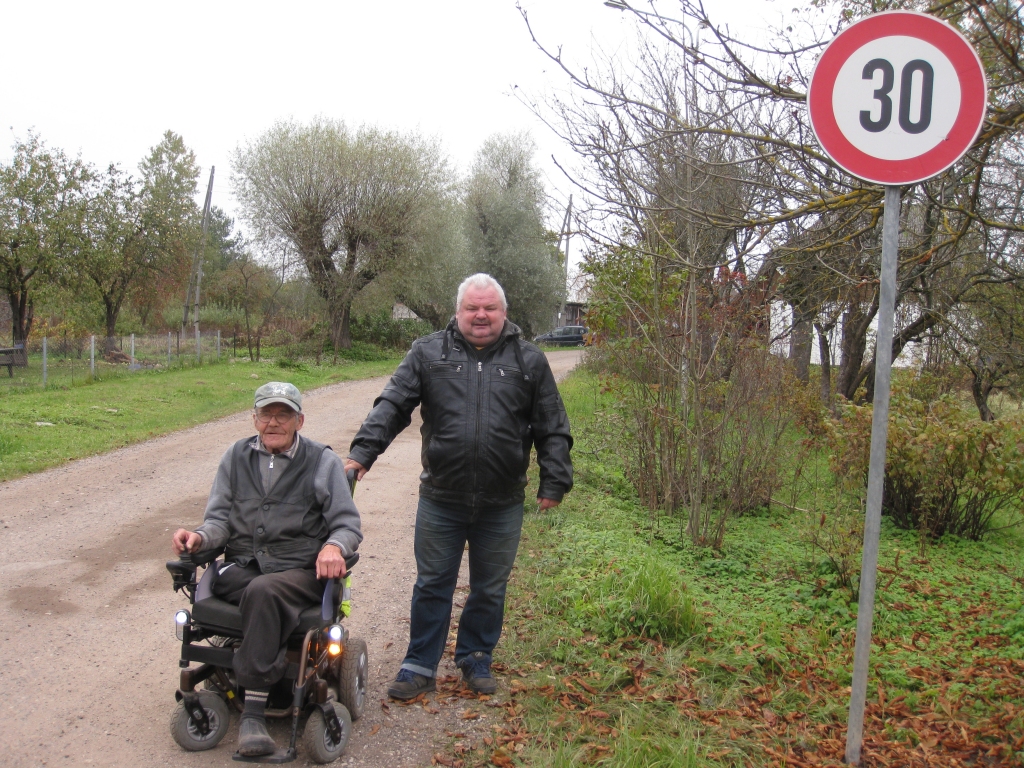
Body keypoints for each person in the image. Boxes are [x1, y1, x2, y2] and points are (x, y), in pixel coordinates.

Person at [346, 273, 573, 700]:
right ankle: (419, 664)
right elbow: (393, 403)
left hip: (503, 501)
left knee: (489, 587)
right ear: (458, 311)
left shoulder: (529, 360)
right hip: (441, 497)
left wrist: (555, 479)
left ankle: (475, 656)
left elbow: (551, 423)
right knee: (432, 583)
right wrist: (362, 453)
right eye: (472, 308)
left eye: (489, 308)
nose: (480, 315)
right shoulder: (427, 352)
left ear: (504, 313)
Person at [171, 381, 362, 757]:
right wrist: (199, 538)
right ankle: (260, 655)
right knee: (256, 591)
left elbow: (347, 525)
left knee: (265, 591)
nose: (274, 422)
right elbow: (218, 521)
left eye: (283, 415)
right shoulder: (235, 457)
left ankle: (253, 716)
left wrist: (333, 546)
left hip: (301, 572)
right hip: (242, 568)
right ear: (254, 418)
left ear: (299, 421)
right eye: (266, 414)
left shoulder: (322, 462)